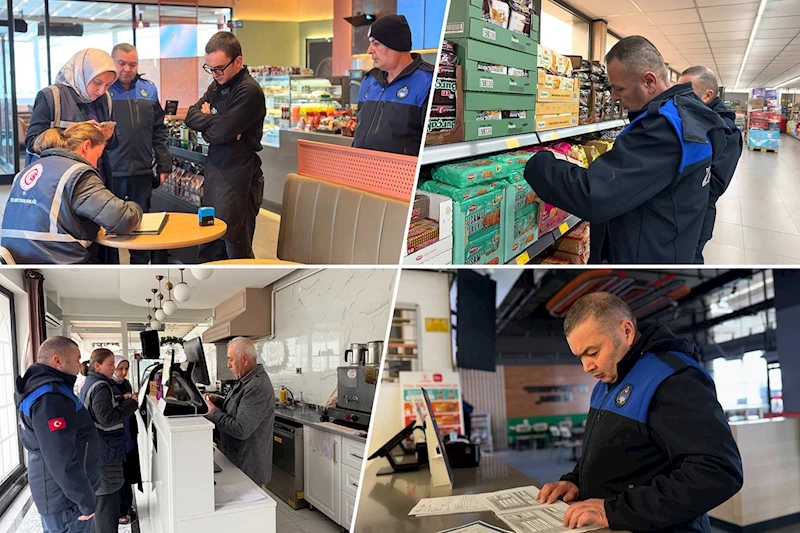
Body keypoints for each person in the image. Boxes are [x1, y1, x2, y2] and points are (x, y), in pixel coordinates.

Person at [537, 293, 743, 531]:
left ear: (626, 331)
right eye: (580, 356)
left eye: (592, 353)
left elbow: (719, 471)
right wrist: (575, 481)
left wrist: (616, 510)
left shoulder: (673, 378)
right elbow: (615, 454)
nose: (586, 367)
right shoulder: (606, 385)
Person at [524, 36, 730, 264]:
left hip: (647, 256)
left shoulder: (664, 131)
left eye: (619, 88)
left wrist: (538, 162)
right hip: (673, 244)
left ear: (649, 82)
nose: (613, 96)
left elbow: (593, 196)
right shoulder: (690, 113)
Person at [25, 48, 121, 264]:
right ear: (82, 73)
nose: (101, 90)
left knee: (98, 247)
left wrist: (105, 136)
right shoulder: (52, 96)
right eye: (97, 82)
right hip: (57, 191)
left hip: (95, 184)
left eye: (107, 85)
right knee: (70, 249)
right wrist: (73, 134)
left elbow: (113, 145)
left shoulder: (105, 100)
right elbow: (32, 142)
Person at [0, 123, 143, 264]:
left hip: (17, 265)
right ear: (86, 146)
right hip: (59, 264)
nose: (95, 164)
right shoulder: (78, 174)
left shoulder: (27, 171)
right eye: (98, 156)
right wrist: (133, 206)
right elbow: (123, 219)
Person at [184, 32, 266, 262]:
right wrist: (216, 122)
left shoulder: (248, 91)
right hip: (215, 171)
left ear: (238, 61)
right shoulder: (217, 85)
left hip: (240, 176)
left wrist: (213, 124)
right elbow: (191, 116)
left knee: (236, 247)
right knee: (210, 241)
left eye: (219, 68)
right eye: (210, 68)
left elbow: (218, 133)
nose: (215, 74)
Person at [14, 337, 100, 533]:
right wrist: (85, 500)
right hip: (66, 501)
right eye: (77, 359)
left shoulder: (45, 388)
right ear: (57, 360)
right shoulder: (50, 399)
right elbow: (61, 458)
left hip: (59, 493)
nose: (80, 365)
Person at [107, 43, 172, 265]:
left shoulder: (149, 89)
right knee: (110, 229)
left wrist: (164, 164)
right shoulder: (102, 91)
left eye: (132, 64)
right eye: (122, 63)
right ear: (113, 62)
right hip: (110, 172)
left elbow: (159, 130)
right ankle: (111, 272)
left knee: (141, 227)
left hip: (142, 172)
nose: (127, 68)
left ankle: (141, 271)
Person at [678, 66, 743, 264]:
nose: (679, 98)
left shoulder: (727, 132)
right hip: (678, 217)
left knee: (690, 259)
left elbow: (715, 184)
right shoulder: (690, 120)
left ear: (707, 95)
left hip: (697, 217)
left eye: (687, 92)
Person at [352, 14, 434, 156]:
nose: (369, 50)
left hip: (400, 174)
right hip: (360, 171)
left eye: (376, 43)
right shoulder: (368, 81)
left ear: (396, 44)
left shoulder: (428, 82)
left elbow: (432, 144)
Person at [79, 349, 138, 533]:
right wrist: (132, 404)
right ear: (97, 365)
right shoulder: (101, 386)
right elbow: (107, 418)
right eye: (111, 364)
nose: (114, 369)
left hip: (98, 452)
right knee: (106, 511)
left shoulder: (93, 383)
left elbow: (102, 406)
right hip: (105, 454)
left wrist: (122, 398)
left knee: (104, 509)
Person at [202, 337, 275, 485]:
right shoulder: (245, 380)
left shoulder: (257, 386)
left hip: (248, 468)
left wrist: (213, 411)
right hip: (236, 460)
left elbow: (240, 429)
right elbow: (237, 407)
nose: (228, 365)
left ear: (244, 360)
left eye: (230, 359)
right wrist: (217, 401)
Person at [111, 356, 141, 525]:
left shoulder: (126, 383)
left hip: (129, 433)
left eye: (126, 368)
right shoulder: (108, 386)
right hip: (119, 436)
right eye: (119, 368)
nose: (123, 372)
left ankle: (127, 505)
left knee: (128, 474)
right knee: (120, 476)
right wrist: (125, 399)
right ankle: (120, 510)